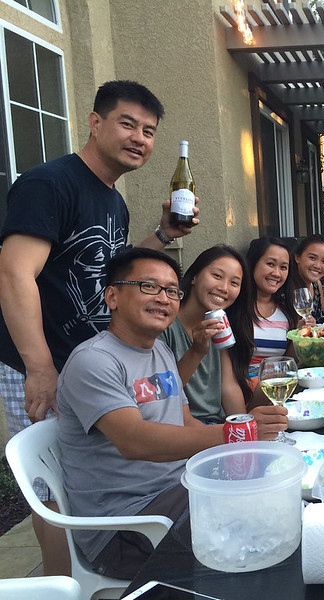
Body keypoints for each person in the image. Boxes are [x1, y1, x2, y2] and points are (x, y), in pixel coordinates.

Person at [0, 80, 197, 576]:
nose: (139, 138)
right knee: (54, 488)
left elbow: (116, 273)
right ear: (95, 123)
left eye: (148, 131)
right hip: (40, 357)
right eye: (127, 124)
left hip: (92, 355)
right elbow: (14, 272)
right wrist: (39, 366)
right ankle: (65, 584)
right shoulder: (50, 184)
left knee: (103, 473)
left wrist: (164, 235)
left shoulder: (113, 201)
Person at [57, 248, 287, 579]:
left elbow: (186, 421)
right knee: (260, 531)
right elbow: (135, 441)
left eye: (171, 291)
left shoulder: (161, 352)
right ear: (112, 296)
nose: (163, 298)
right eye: (149, 286)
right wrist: (238, 433)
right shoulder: (94, 361)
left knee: (278, 495)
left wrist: (245, 452)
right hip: (128, 525)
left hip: (179, 490)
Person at [159, 245, 254, 423]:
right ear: (194, 276)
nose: (224, 288)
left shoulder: (223, 324)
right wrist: (196, 351)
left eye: (234, 283)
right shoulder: (165, 324)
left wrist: (244, 428)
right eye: (217, 276)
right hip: (180, 427)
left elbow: (228, 387)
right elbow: (165, 392)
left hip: (216, 423)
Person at [246, 236, 299, 383]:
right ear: (253, 263)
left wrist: (299, 337)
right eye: (270, 264)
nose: (276, 273)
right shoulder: (237, 307)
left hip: (278, 386)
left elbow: (288, 362)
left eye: (283, 267)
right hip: (242, 388)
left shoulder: (287, 310)